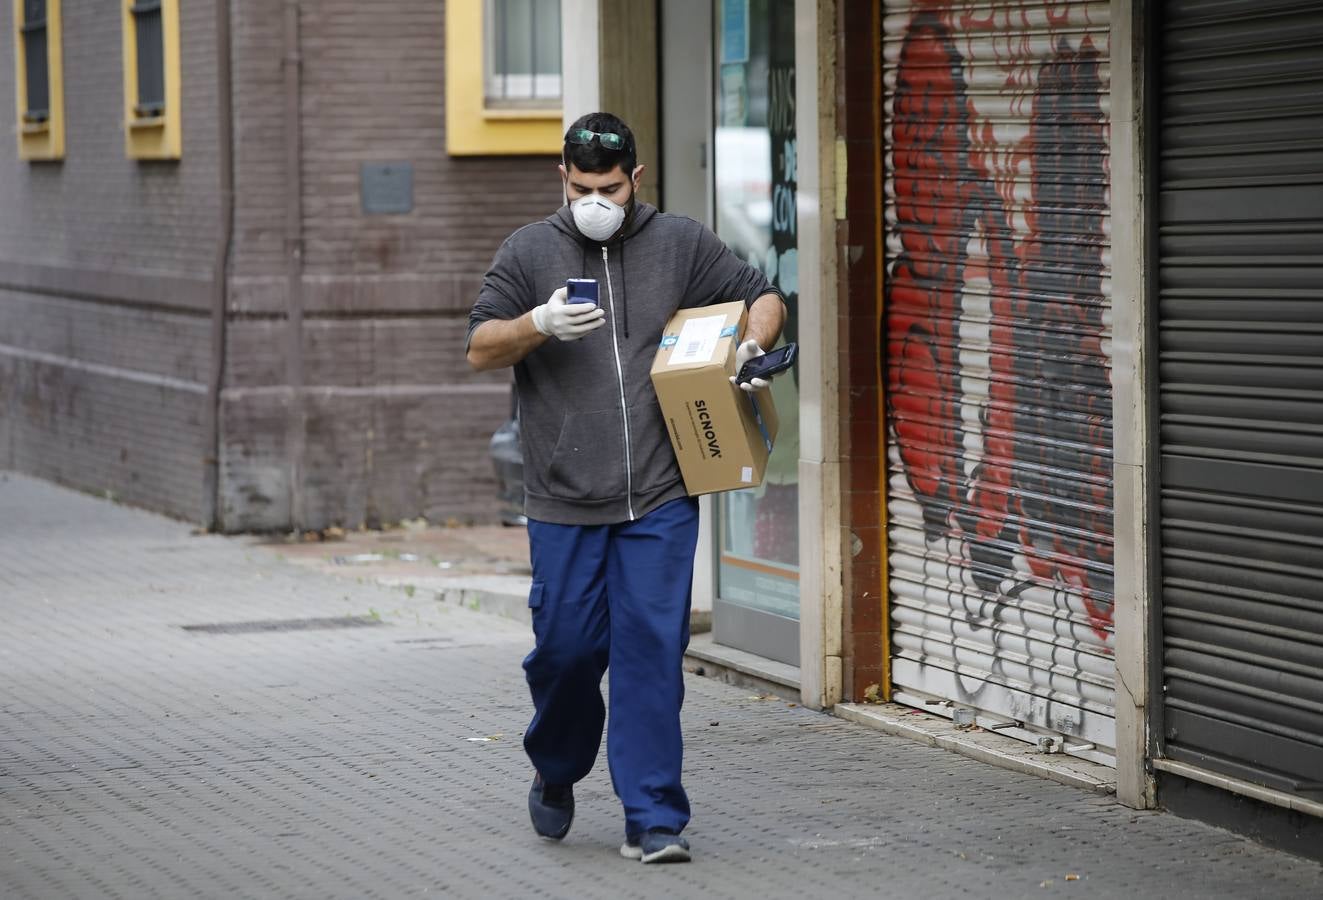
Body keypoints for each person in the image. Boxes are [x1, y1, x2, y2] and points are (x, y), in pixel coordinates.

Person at [465, 112, 786, 864]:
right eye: (581, 187)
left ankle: (653, 818)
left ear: (636, 179)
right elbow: (480, 346)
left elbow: (762, 295)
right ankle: (556, 764)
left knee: (649, 653)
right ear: (561, 178)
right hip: (562, 498)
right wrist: (537, 322)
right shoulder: (528, 248)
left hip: (661, 498)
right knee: (567, 653)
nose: (595, 201)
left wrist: (751, 341)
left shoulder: (678, 243)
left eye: (609, 187)